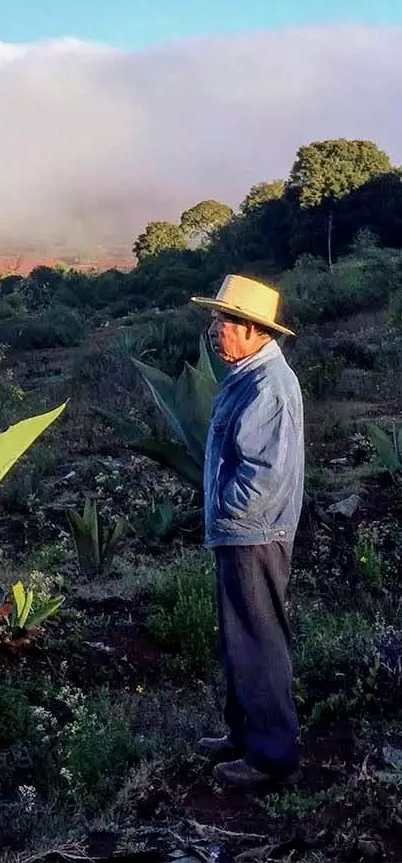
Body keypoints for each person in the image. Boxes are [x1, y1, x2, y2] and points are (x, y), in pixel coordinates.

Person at [191, 274, 304, 789]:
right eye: (216, 319)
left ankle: (271, 757)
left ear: (257, 331)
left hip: (253, 532)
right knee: (240, 638)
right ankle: (244, 735)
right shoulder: (248, 375)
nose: (217, 330)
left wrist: (225, 508)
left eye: (227, 320)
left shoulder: (268, 386)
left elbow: (263, 474)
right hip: (241, 531)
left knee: (258, 639)